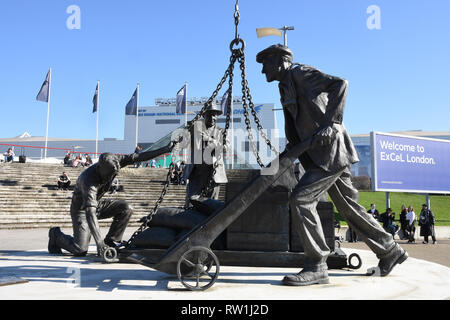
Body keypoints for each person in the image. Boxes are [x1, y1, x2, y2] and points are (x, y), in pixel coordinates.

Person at [256, 44, 407, 286]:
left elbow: (341, 84)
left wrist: (331, 122)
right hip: (320, 154)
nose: (263, 70)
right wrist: (290, 150)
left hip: (330, 152)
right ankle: (389, 250)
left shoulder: (300, 74)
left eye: (265, 63)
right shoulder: (285, 86)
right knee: (348, 208)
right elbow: (294, 124)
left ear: (281, 61)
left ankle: (316, 265)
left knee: (301, 199)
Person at [47, 140, 175, 257]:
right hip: (82, 211)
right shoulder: (89, 181)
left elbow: (138, 157)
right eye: (108, 174)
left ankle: (112, 240)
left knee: (126, 208)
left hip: (98, 204)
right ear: (100, 168)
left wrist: (164, 149)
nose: (110, 177)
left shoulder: (115, 161)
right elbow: (90, 213)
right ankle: (55, 235)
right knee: (80, 249)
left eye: (113, 174)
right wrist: (99, 243)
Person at [183, 102, 229, 208]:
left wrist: (210, 140)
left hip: (213, 173)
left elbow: (225, 148)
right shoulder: (195, 128)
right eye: (209, 114)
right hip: (196, 172)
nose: (212, 117)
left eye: (215, 115)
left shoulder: (221, 132)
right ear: (204, 115)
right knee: (190, 203)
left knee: (211, 205)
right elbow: (184, 143)